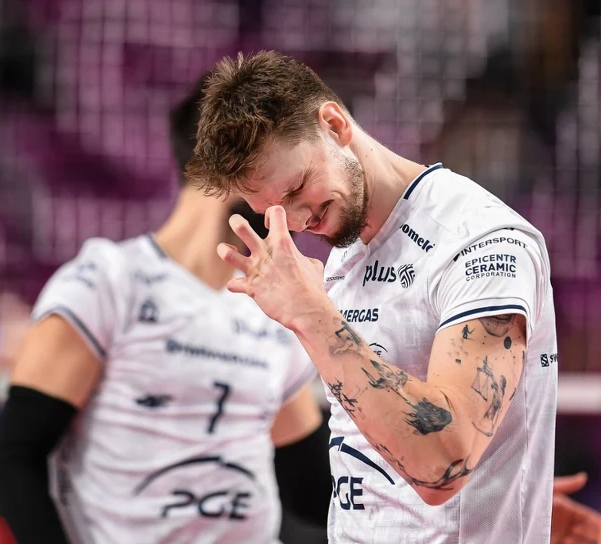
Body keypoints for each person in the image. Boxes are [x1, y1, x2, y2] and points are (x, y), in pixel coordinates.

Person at [188, 51, 558, 542]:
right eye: (273, 209)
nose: (298, 221)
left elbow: (444, 465)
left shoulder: (482, 242)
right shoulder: (343, 254)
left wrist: (311, 316)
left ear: (334, 125)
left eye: (297, 188)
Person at [0, 82, 333, 543]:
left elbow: (311, 487)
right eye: (286, 172)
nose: (299, 199)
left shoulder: (273, 305)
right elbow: (16, 462)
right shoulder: (107, 282)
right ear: (224, 163)